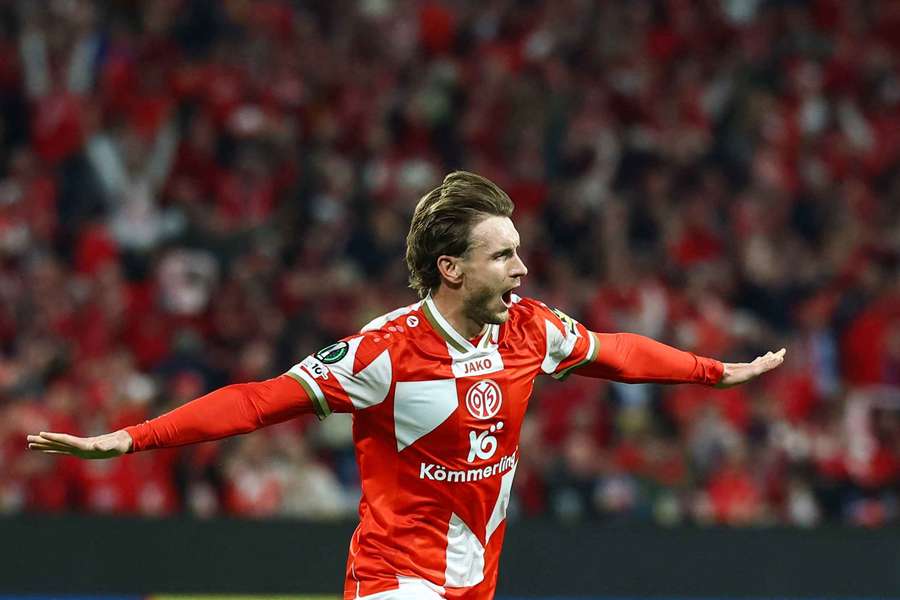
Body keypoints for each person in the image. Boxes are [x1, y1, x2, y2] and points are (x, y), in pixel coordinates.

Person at [28, 171, 786, 600]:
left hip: (474, 582)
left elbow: (617, 353)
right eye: (503, 257)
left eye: (519, 254)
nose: (522, 271)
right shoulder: (383, 353)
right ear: (452, 269)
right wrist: (129, 437)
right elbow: (256, 401)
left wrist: (716, 372)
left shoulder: (528, 329)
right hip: (396, 581)